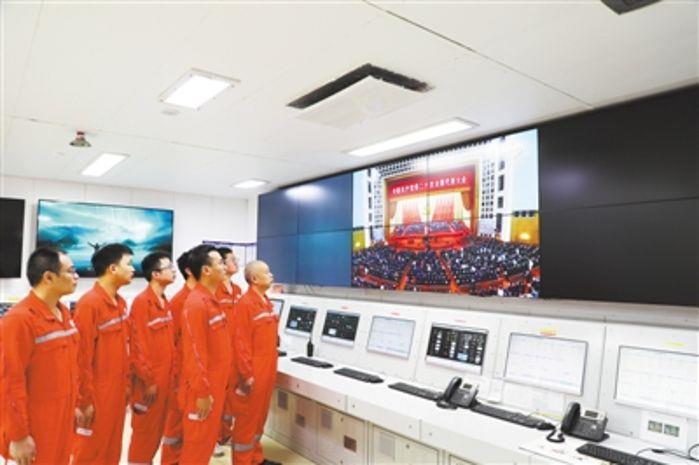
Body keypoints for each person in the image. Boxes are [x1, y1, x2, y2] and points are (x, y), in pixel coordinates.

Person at [0, 247, 79, 465]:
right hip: (34, 429)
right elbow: (9, 382)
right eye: (70, 271)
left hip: (62, 423)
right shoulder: (20, 320)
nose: (76, 276)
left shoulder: (64, 314)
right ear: (48, 277)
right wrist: (18, 435)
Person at [72, 243, 134, 465]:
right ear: (112, 268)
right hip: (96, 394)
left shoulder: (120, 303)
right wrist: (84, 400)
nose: (133, 269)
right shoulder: (90, 304)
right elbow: (80, 357)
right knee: (90, 453)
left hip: (117, 393)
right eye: (129, 264)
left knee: (112, 451)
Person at [179, 245, 233, 465]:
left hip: (215, 387)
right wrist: (202, 392)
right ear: (206, 270)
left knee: (206, 445)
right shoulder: (196, 304)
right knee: (196, 450)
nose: (225, 266)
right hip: (202, 392)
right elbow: (194, 352)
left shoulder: (212, 300)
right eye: (220, 262)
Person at [127, 251, 176, 464]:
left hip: (165, 381)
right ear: (155, 274)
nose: (174, 271)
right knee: (144, 434)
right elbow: (138, 346)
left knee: (157, 432)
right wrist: (148, 380)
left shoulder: (164, 302)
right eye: (169, 268)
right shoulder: (142, 303)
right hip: (149, 384)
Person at [231, 260, 281, 465]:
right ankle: (242, 461)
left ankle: (255, 458)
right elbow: (240, 343)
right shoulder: (245, 304)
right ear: (254, 279)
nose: (271, 275)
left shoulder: (266, 302)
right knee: (247, 419)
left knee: (260, 417)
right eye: (267, 273)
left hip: (268, 367)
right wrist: (246, 374)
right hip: (253, 371)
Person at [161, 249, 196, 464]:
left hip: (195, 375)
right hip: (180, 376)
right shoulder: (179, 302)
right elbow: (172, 343)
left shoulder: (205, 299)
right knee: (175, 426)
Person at [215, 247, 242, 452]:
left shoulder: (238, 290)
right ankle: (213, 438)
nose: (237, 262)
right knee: (217, 398)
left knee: (231, 398)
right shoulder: (214, 290)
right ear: (222, 264)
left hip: (236, 353)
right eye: (233, 259)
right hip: (219, 354)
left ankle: (225, 434)